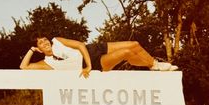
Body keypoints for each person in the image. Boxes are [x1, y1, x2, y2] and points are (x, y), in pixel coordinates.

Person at [19, 36, 178, 78]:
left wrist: (86, 65)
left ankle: (154, 65)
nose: (45, 43)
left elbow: (81, 45)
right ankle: (154, 66)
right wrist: (31, 50)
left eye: (44, 39)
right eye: (40, 43)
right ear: (39, 48)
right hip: (96, 62)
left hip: (92, 50)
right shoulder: (47, 64)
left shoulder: (58, 41)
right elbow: (23, 67)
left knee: (134, 44)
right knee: (126, 54)